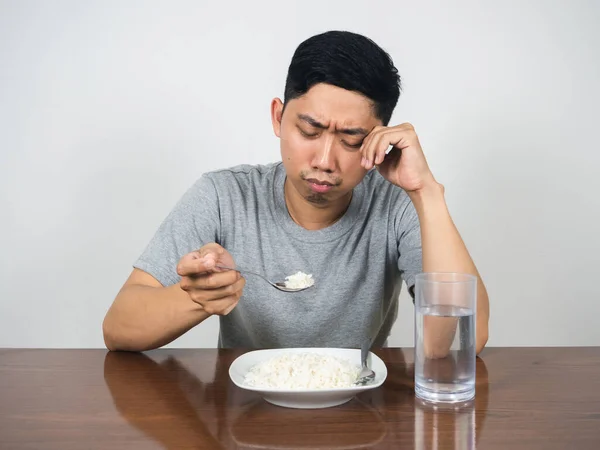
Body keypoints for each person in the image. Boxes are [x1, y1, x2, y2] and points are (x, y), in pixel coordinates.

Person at [102, 30, 490, 353]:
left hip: (363, 412)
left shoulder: (397, 204)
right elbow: (119, 327)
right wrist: (197, 296)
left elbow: (460, 342)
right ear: (277, 117)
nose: (324, 159)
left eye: (351, 140)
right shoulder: (224, 196)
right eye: (309, 131)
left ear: (380, 141)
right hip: (246, 416)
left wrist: (427, 192)